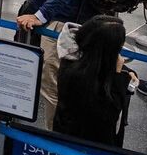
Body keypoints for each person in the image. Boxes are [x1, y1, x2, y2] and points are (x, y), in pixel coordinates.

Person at [52, 15, 136, 146]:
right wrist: (118, 74)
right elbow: (108, 116)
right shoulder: (77, 78)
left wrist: (127, 71)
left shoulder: (78, 59)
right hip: (84, 144)